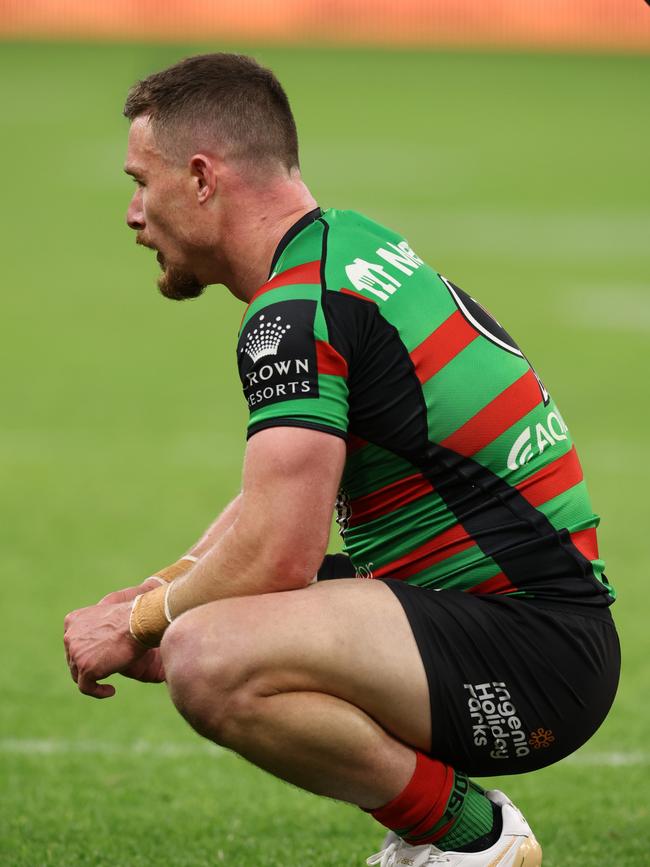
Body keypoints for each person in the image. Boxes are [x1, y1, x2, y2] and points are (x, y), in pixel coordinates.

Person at [63, 53, 620, 867]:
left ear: (202, 178)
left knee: (206, 656)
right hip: (523, 627)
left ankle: (476, 840)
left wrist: (144, 620)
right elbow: (275, 498)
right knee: (204, 621)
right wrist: (164, 586)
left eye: (141, 182)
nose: (132, 212)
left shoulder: (294, 312)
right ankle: (447, 832)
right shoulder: (350, 246)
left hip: (528, 653)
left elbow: (280, 552)